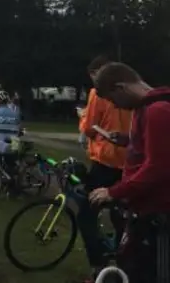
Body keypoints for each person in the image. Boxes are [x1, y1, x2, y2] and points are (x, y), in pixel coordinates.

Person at [89, 62, 170, 283]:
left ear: (120, 88)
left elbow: (159, 168)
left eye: (114, 101)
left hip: (159, 216)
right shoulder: (144, 110)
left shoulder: (158, 110)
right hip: (143, 213)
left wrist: (114, 192)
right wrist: (127, 141)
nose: (118, 106)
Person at [77, 55, 132, 282]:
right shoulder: (129, 91)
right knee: (122, 217)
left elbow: (90, 128)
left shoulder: (96, 93)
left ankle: (98, 264)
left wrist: (82, 118)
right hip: (129, 162)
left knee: (87, 213)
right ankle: (122, 266)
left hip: (106, 160)